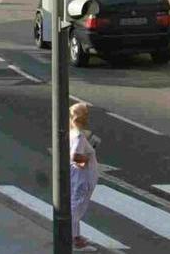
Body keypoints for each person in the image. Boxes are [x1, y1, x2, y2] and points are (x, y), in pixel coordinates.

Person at [69, 103, 100, 252]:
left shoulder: (72, 133)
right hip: (82, 178)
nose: (87, 117)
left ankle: (76, 237)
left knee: (76, 206)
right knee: (76, 208)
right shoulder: (79, 136)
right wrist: (88, 157)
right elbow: (75, 157)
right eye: (86, 114)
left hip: (77, 177)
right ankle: (73, 242)